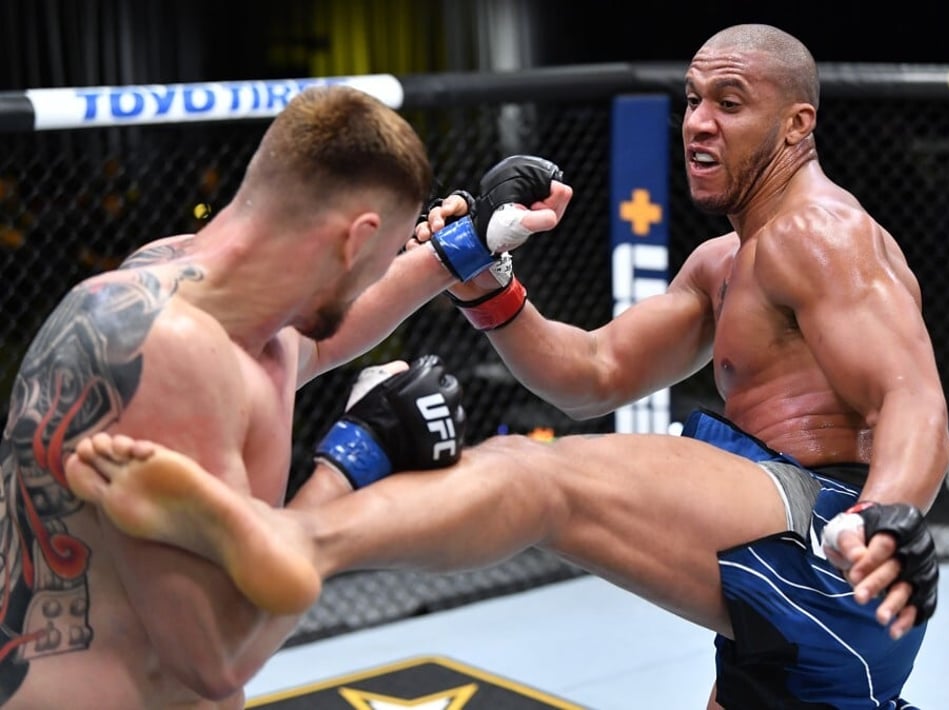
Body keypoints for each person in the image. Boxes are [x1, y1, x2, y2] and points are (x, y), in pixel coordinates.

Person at [64, 24, 949, 710]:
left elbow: (912, 396)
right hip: (796, 591)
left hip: (834, 545)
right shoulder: (725, 266)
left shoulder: (820, 235)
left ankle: (297, 537)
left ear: (798, 124)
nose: (697, 123)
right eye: (690, 100)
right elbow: (591, 372)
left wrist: (891, 512)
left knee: (535, 479)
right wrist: (488, 282)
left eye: (729, 101)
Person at [0, 83, 568, 710]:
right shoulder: (164, 352)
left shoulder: (205, 291)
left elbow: (317, 343)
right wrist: (354, 462)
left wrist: (464, 247)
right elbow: (214, 658)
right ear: (353, 241)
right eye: (382, 258)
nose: (381, 274)